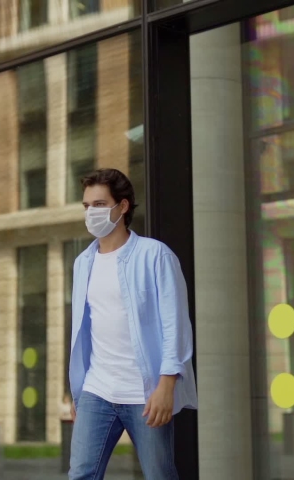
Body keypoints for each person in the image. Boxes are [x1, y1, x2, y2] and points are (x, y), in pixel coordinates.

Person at [68, 168, 197, 480]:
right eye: (87, 207)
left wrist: (166, 385)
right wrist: (78, 391)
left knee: (159, 475)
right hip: (97, 390)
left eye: (99, 205)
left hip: (145, 393)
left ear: (122, 206)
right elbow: (83, 331)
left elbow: (174, 325)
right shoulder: (83, 263)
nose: (91, 213)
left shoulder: (155, 256)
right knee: (80, 474)